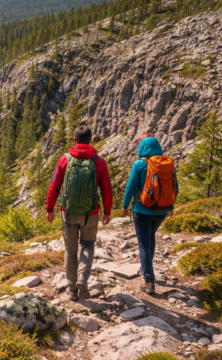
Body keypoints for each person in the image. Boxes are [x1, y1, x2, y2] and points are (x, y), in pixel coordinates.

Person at [46, 125, 113, 301]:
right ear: (91, 140)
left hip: (67, 213)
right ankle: (83, 276)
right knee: (88, 245)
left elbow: (54, 186)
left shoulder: (64, 160)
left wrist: (49, 209)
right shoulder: (99, 162)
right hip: (90, 213)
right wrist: (107, 211)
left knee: (70, 249)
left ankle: (72, 289)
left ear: (75, 140)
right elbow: (106, 189)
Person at [122, 133, 177, 294]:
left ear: (142, 147)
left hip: (141, 210)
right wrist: (170, 206)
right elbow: (174, 187)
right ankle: (148, 268)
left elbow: (130, 187)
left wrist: (125, 205)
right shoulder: (167, 163)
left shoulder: (139, 164)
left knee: (143, 244)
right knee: (151, 236)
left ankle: (149, 281)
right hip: (162, 210)